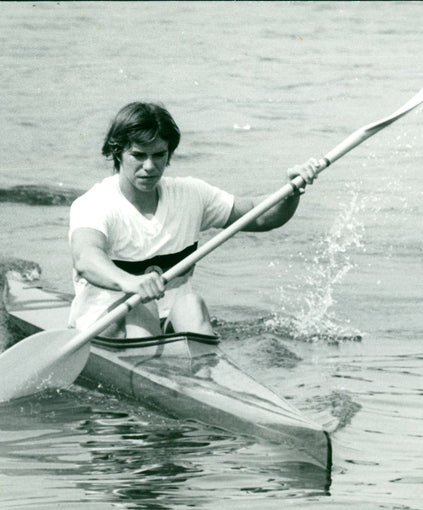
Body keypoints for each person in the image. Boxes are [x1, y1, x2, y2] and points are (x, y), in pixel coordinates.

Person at [68, 101, 320, 338]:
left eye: (159, 155)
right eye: (139, 155)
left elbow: (261, 216)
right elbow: (85, 258)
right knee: (140, 309)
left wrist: (291, 192)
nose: (150, 166)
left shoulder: (191, 195)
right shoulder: (95, 204)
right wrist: (130, 282)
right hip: (106, 326)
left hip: (169, 325)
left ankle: (204, 377)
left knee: (191, 304)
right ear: (117, 152)